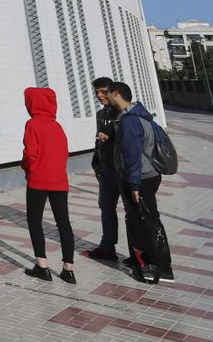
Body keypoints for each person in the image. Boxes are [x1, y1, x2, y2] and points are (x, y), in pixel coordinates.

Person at [109, 81, 173, 284]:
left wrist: (134, 185)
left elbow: (132, 155)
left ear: (116, 94)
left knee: (147, 223)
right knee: (146, 220)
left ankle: (157, 266)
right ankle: (149, 261)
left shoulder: (130, 121)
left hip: (141, 179)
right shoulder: (141, 115)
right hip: (149, 175)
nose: (106, 97)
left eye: (108, 94)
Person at [21, 87, 76, 283]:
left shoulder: (32, 124)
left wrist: (25, 166)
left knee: (35, 221)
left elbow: (30, 153)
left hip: (38, 179)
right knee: (63, 223)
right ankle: (68, 269)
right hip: (59, 180)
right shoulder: (57, 126)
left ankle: (42, 266)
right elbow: (65, 153)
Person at [84, 76, 123, 263]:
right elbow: (98, 140)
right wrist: (95, 162)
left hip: (123, 170)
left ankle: (140, 252)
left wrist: (111, 138)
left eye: (102, 91)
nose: (99, 95)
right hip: (106, 169)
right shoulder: (101, 115)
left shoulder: (123, 113)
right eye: (96, 92)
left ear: (112, 91)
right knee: (106, 206)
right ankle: (108, 246)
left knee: (133, 211)